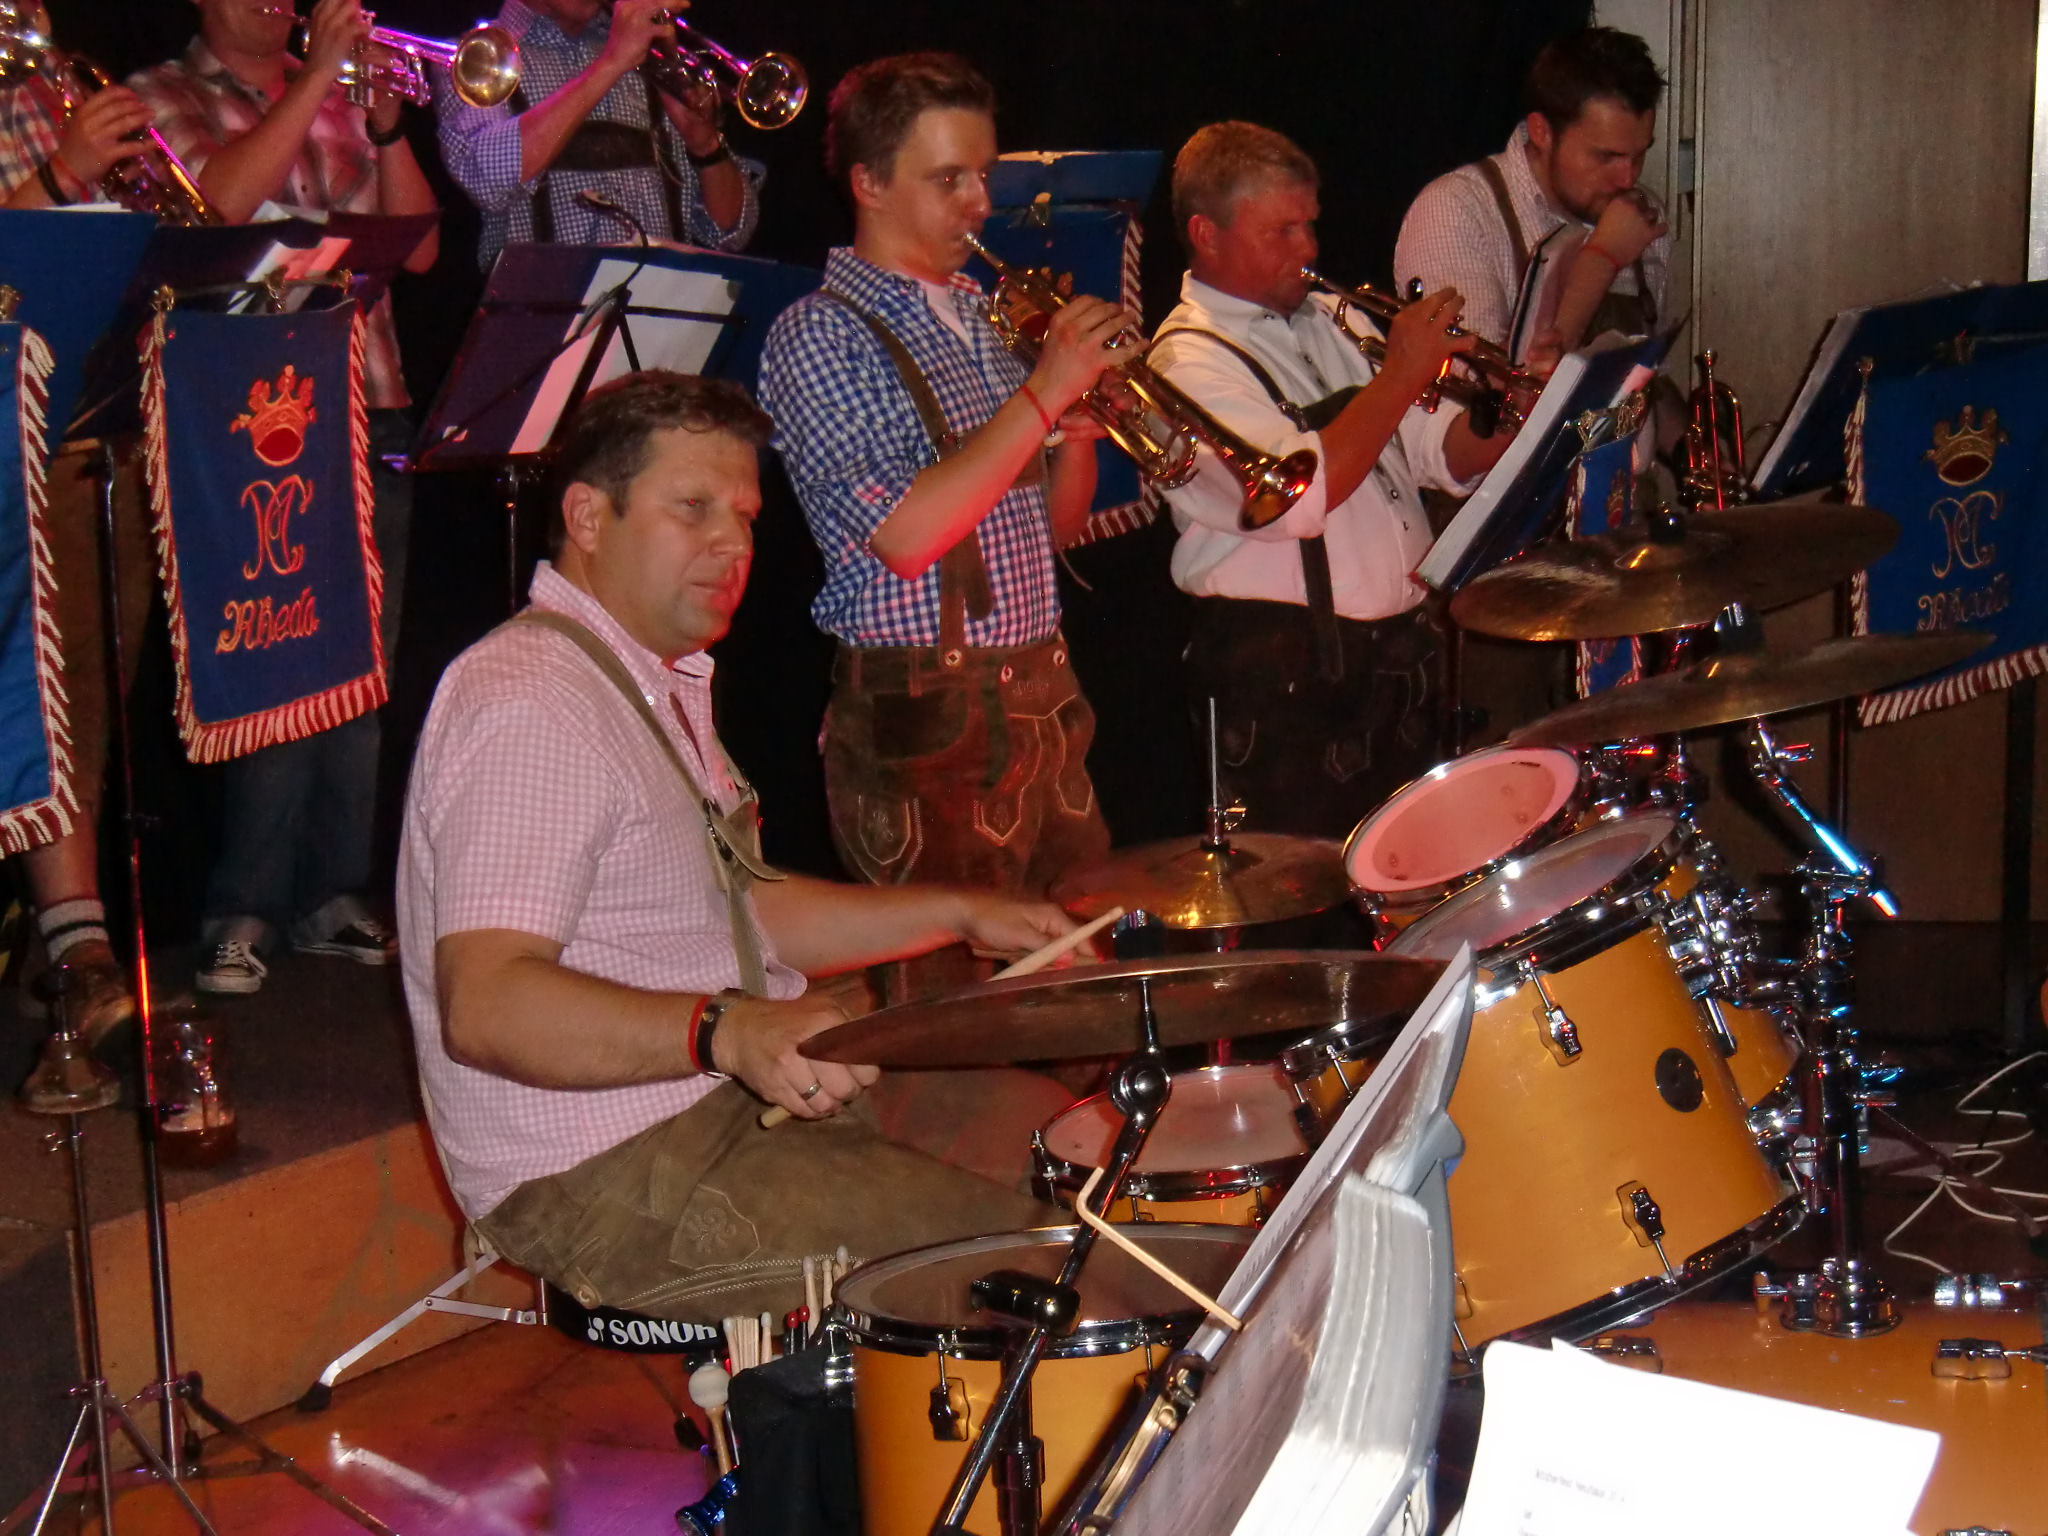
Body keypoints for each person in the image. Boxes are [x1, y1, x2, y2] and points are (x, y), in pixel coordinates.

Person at [398, 370, 1075, 1321]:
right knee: (1039, 1276)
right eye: (694, 508)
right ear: (588, 518)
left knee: (1070, 1145)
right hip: (602, 1169)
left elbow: (743, 909)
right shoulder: (529, 698)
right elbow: (488, 1004)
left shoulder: (642, 677)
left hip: (719, 1101)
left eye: (746, 515)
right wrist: (730, 1030)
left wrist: (961, 910)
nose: (735, 543)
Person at [759, 54, 1122, 970]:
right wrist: (1044, 395)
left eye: (983, 175)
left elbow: (1049, 534)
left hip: (1042, 699)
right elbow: (910, 537)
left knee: (1083, 987)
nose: (980, 204)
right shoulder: (821, 332)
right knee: (955, 1017)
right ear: (869, 183)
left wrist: (1080, 431)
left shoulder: (987, 318)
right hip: (929, 724)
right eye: (948, 179)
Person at [130, 0, 440, 994]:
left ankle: (331, 894)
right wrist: (316, 81)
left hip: (369, 403)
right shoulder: (159, 96)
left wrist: (385, 128)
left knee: (360, 674)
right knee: (270, 664)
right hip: (249, 425)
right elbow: (215, 206)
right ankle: (243, 906)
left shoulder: (345, 98)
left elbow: (420, 250)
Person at [1146, 122, 1520, 841]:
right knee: (1302, 899)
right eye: (1281, 231)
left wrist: (1515, 419)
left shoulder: (1332, 319)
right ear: (1207, 234)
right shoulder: (1186, 364)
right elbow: (1298, 499)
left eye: (1310, 226)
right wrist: (1402, 372)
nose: (1309, 250)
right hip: (1286, 687)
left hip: (1393, 665)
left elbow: (1431, 449)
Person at [0, 8, 161, 1047]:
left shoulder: (36, 88)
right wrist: (59, 178)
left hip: (70, 430)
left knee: (78, 687)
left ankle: (72, 942)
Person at [1394, 26, 1668, 359]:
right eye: (1605, 157)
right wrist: (1601, 261)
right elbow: (1478, 383)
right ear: (1541, 132)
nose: (1627, 179)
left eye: (1638, 155)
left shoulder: (1643, 214)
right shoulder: (1455, 210)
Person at [435, 0, 760, 270]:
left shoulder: (647, 51)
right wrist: (611, 64)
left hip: (661, 315)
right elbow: (486, 183)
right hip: (545, 321)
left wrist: (705, 146)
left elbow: (731, 232)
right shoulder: (476, 56)